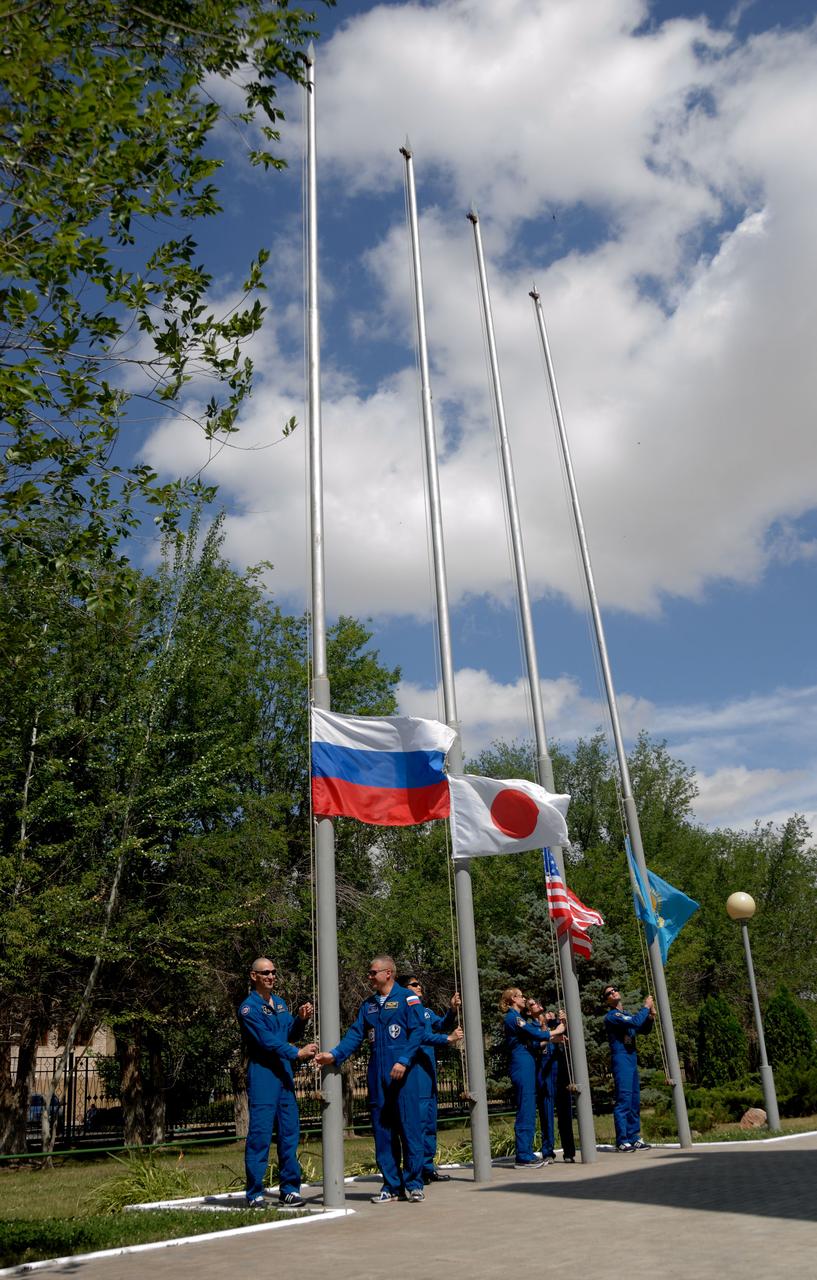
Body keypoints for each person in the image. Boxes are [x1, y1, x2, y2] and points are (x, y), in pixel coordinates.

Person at [315, 955, 427, 1203]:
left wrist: (404, 1059)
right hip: (377, 1075)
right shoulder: (368, 1006)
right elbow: (355, 1035)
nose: (369, 976)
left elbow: (418, 1031)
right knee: (382, 1131)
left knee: (409, 1130)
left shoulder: (407, 999)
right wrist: (334, 1055)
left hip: (403, 1075)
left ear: (388, 973)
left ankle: (415, 1184)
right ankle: (391, 1185)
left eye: (373, 972)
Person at [237, 957, 317, 1208]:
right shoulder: (248, 1009)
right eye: (265, 973)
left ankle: (289, 1190)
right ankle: (254, 1193)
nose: (271, 976)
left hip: (284, 1077)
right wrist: (297, 1053)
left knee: (289, 1135)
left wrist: (301, 1020)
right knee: (260, 1135)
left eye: (273, 972)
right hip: (263, 1076)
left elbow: (289, 1034)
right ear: (254, 976)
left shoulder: (280, 1004)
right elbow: (266, 1041)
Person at [402, 976, 463, 1184]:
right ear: (404, 989)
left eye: (420, 984)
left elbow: (441, 1024)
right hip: (415, 1074)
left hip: (429, 1074)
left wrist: (452, 1010)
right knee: (417, 1124)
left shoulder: (426, 1011)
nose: (420, 986)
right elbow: (420, 1038)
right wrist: (447, 1039)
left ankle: (427, 1168)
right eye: (414, 984)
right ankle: (415, 1170)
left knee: (429, 1124)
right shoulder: (405, 1011)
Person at [500, 987, 564, 1169]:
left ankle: (525, 1152)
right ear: (513, 999)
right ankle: (523, 1155)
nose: (524, 998)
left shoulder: (517, 1018)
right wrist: (555, 1031)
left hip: (526, 1064)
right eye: (521, 996)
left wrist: (551, 1040)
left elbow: (534, 1041)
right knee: (525, 1108)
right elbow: (533, 1033)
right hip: (521, 1064)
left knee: (528, 1108)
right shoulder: (514, 1018)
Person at [603, 984, 655, 1152]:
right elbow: (634, 1022)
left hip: (631, 1057)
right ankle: (622, 1139)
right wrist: (646, 1007)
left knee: (634, 1099)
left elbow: (642, 1029)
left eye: (615, 989)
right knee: (624, 1099)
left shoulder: (625, 1014)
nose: (614, 992)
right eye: (609, 993)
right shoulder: (613, 1016)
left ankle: (634, 1137)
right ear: (607, 1000)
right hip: (621, 1058)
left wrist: (650, 1017)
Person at [526, 998, 576, 1163]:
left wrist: (564, 1021)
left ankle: (569, 1152)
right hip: (544, 1074)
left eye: (538, 1002)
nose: (537, 1004)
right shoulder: (531, 1027)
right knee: (547, 1114)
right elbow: (534, 1044)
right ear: (528, 1011)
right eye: (532, 1004)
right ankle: (548, 1152)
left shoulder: (555, 1023)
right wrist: (551, 1039)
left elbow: (570, 1037)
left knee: (565, 1113)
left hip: (560, 1073)